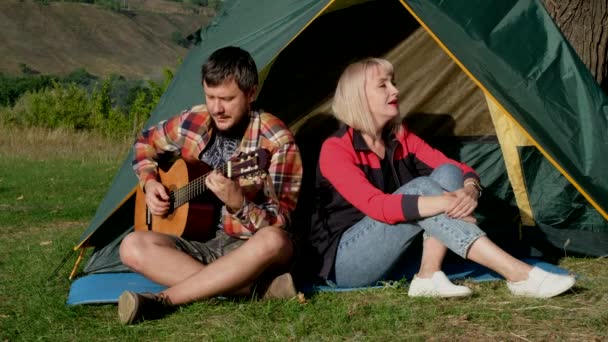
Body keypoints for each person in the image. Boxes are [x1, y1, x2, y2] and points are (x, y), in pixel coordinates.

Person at [307, 57, 575, 298]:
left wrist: (470, 190)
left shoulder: (400, 137)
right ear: (359, 96)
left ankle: (428, 276)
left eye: (394, 82)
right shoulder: (336, 149)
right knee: (422, 188)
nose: (395, 90)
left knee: (448, 174)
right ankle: (518, 274)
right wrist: (447, 205)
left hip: (393, 251)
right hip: (345, 261)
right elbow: (378, 206)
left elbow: (456, 168)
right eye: (383, 85)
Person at [117, 46, 303, 324]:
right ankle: (252, 290)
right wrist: (150, 181)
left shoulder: (276, 141)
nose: (217, 108)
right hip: (201, 243)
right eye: (210, 96)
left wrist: (239, 203)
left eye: (227, 99)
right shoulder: (195, 120)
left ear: (251, 93)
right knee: (130, 246)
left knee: (274, 240)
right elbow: (145, 142)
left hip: (249, 248)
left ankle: (164, 301)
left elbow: (282, 222)